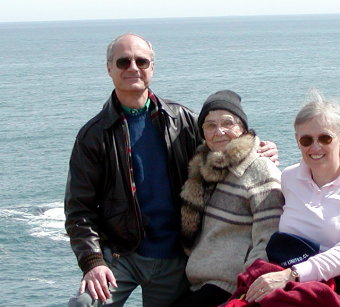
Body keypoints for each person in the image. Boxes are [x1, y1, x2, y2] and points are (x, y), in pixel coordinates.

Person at [64, 34, 278, 307]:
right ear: (109, 68)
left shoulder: (181, 120)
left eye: (141, 61)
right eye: (123, 61)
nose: (133, 67)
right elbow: (78, 209)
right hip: (121, 256)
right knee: (82, 304)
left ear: (152, 67)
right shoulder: (94, 135)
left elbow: (222, 143)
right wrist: (93, 262)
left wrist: (259, 147)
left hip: (175, 258)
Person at [243, 90, 340, 307]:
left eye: (324, 138)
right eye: (306, 140)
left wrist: (291, 275)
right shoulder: (289, 178)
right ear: (298, 142)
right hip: (294, 269)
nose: (315, 147)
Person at [171, 90, 284, 307]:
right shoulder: (204, 168)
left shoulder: (260, 171)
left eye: (228, 123)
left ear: (242, 128)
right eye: (210, 125)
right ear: (203, 133)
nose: (219, 131)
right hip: (199, 281)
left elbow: (269, 238)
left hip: (230, 287)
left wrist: (246, 288)